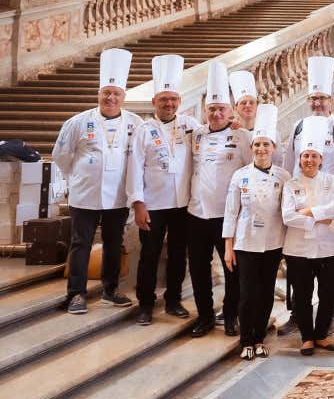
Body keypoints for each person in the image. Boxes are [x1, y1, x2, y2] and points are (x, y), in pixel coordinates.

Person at [54, 48, 139, 314]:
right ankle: (76, 294)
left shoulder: (135, 124)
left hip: (117, 196)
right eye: (106, 93)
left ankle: (110, 291)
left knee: (114, 243)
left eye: (116, 94)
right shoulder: (78, 122)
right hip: (85, 193)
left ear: (123, 97)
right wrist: (79, 177)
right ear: (99, 94)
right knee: (81, 243)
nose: (110, 98)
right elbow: (61, 156)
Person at [280, 56, 334, 337]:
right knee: (298, 264)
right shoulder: (299, 127)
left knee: (330, 264)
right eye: (313, 98)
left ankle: (332, 313)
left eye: (322, 98)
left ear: (331, 100)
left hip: (329, 210)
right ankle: (297, 315)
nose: (317, 104)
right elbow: (288, 168)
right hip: (299, 207)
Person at [127, 54, 197, 325]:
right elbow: (134, 168)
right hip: (153, 203)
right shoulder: (144, 130)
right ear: (154, 102)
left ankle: (173, 299)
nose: (169, 104)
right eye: (163, 99)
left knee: (179, 254)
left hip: (183, 204)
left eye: (173, 100)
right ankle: (145, 303)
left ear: (179, 102)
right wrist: (138, 204)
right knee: (149, 254)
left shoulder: (191, 126)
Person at [187, 62, 251, 337]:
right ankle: (204, 316)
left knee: (232, 269)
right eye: (211, 109)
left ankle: (231, 313)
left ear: (231, 110)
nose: (215, 113)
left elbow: (252, 171)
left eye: (221, 109)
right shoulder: (196, 135)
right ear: (205, 111)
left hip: (227, 215)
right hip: (196, 213)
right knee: (199, 269)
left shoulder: (242, 137)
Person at [222, 104, 287, 361]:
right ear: (251, 149)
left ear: (273, 148)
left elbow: (287, 213)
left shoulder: (283, 176)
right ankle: (246, 340)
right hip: (245, 243)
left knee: (265, 292)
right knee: (247, 294)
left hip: (272, 244)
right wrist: (228, 247)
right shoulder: (240, 176)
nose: (261, 149)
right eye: (257, 145)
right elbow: (231, 212)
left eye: (265, 144)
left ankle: (259, 337)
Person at [282, 116, 334, 356]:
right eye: (305, 156)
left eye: (314, 156)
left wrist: (308, 212)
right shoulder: (291, 184)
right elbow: (288, 216)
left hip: (328, 248)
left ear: (321, 160)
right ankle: (307, 337)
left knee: (328, 293)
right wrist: (321, 217)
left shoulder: (331, 180)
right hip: (297, 249)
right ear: (299, 160)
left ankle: (321, 335)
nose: (309, 160)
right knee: (302, 294)